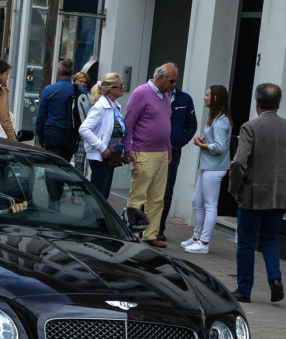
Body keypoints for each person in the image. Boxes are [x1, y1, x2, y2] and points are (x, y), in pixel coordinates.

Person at [227, 83, 286, 303]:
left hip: (253, 193)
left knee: (247, 242)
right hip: (281, 195)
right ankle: (275, 279)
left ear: (257, 102)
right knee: (269, 240)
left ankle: (244, 289)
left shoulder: (250, 127)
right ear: (278, 104)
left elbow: (239, 162)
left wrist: (234, 189)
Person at [123, 63, 178, 248]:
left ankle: (151, 234)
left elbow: (165, 125)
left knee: (157, 196)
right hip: (144, 151)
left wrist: (168, 148)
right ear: (161, 77)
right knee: (139, 195)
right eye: (172, 80)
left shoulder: (165, 96)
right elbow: (129, 122)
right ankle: (133, 232)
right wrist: (127, 149)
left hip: (161, 152)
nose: (174, 84)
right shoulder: (141, 93)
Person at [183, 85, 232, 254]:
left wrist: (201, 144)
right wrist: (203, 140)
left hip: (214, 167)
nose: (204, 97)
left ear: (216, 98)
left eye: (207, 95)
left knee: (210, 205)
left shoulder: (220, 121)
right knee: (197, 201)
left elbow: (219, 147)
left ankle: (204, 242)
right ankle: (197, 237)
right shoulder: (217, 118)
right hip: (208, 166)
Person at [159, 73, 198, 240]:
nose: (174, 83)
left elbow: (192, 124)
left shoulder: (184, 99)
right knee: (148, 188)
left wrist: (180, 141)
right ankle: (143, 226)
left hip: (173, 151)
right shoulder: (154, 96)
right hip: (153, 149)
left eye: (176, 80)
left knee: (167, 190)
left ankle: (159, 228)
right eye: (171, 80)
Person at [77, 72, 126, 197]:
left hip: (110, 157)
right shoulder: (100, 107)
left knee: (103, 195)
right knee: (98, 195)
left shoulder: (114, 106)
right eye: (120, 86)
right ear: (112, 89)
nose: (123, 88)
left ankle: (99, 217)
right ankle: (91, 217)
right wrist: (101, 147)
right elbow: (84, 129)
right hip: (100, 157)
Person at [34, 58, 82, 164]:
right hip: (71, 134)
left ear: (59, 72)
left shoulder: (49, 90)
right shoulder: (79, 90)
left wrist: (41, 136)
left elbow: (41, 116)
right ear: (72, 73)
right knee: (65, 165)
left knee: (51, 166)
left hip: (53, 133)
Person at [70, 71, 91, 173]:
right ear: (74, 81)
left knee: (79, 161)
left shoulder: (88, 97)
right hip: (71, 130)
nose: (83, 84)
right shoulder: (71, 94)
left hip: (82, 132)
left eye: (85, 82)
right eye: (80, 81)